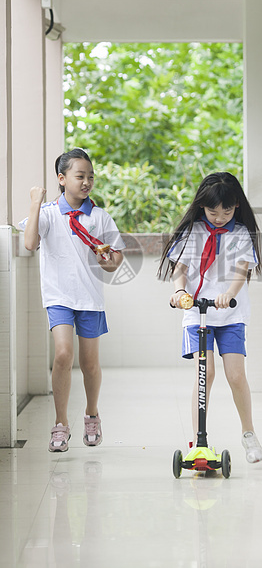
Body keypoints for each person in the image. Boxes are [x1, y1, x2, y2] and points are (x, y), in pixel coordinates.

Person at [19, 148, 125, 452]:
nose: (87, 181)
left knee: (90, 364)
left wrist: (107, 260)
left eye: (90, 176)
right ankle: (61, 424)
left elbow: (115, 258)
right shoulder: (49, 213)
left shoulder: (99, 216)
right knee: (63, 354)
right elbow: (29, 243)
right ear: (62, 179)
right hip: (59, 297)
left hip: (90, 298)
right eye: (80, 176)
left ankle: (92, 414)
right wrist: (35, 202)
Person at [158, 172, 262, 463]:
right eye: (212, 211)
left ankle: (248, 433)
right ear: (202, 206)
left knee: (235, 374)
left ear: (236, 207)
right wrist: (179, 292)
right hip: (197, 312)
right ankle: (197, 442)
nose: (219, 217)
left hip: (230, 314)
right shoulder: (193, 231)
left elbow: (242, 270)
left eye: (226, 211)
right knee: (205, 374)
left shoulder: (241, 233)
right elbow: (180, 269)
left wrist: (227, 293)